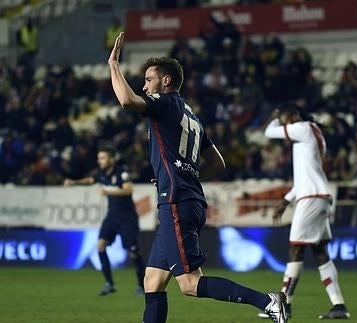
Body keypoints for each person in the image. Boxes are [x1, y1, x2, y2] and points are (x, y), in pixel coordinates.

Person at [106, 32, 288, 323]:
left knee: (189, 283)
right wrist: (186, 173)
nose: (144, 86)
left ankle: (268, 301)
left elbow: (127, 101)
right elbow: (217, 162)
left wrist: (114, 64)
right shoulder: (190, 114)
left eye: (148, 80)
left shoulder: (164, 104)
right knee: (152, 280)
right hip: (185, 198)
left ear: (166, 81)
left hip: (177, 202)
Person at [260, 102, 350, 320]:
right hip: (318, 196)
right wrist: (285, 201)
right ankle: (339, 306)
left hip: (311, 199)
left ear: (293, 115)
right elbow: (304, 181)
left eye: (284, 117)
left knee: (295, 250)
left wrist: (274, 115)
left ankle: (284, 305)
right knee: (320, 253)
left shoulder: (303, 128)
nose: (282, 121)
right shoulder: (310, 133)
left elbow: (268, 131)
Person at [64, 146, 145, 296]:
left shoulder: (122, 172)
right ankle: (109, 283)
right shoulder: (100, 173)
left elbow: (128, 189)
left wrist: (108, 191)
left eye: (103, 158)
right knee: (100, 245)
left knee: (134, 252)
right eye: (99, 158)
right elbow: (90, 180)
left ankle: (142, 285)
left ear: (111, 159)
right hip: (112, 217)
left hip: (127, 218)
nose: (99, 160)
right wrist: (74, 182)